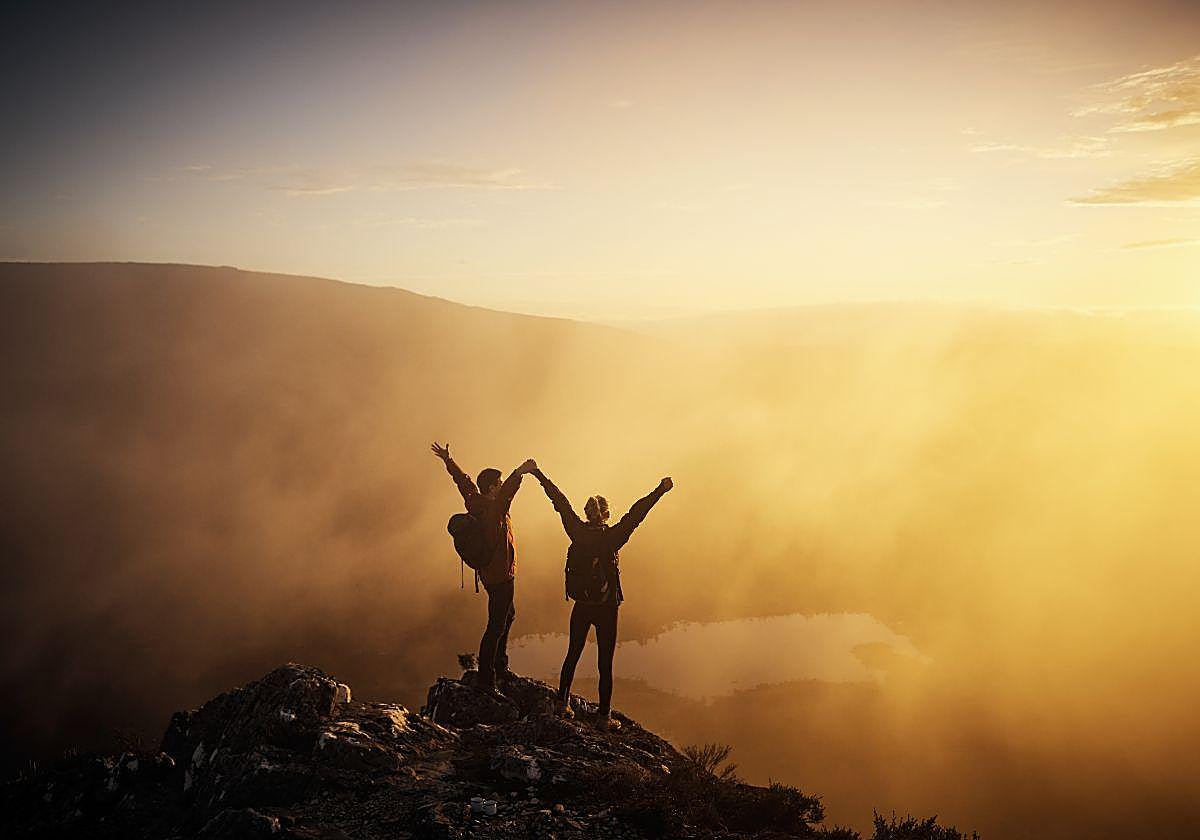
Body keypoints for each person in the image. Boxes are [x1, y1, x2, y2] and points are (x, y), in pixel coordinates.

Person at [532, 466, 672, 729]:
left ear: (586, 514)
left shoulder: (576, 532)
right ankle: (604, 717)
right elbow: (637, 513)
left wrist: (538, 474)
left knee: (572, 653)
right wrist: (660, 490)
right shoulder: (613, 537)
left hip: (582, 605)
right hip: (607, 607)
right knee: (604, 663)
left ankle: (563, 703)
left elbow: (559, 501)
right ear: (606, 514)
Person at [432, 442, 536, 694]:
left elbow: (463, 482)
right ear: (491, 489)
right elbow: (508, 492)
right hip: (501, 576)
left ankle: (499, 668)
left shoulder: (476, 501)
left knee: (507, 616)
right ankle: (488, 679)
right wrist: (520, 471)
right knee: (496, 625)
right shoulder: (494, 508)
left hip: (490, 574)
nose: (501, 486)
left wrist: (449, 460)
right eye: (498, 483)